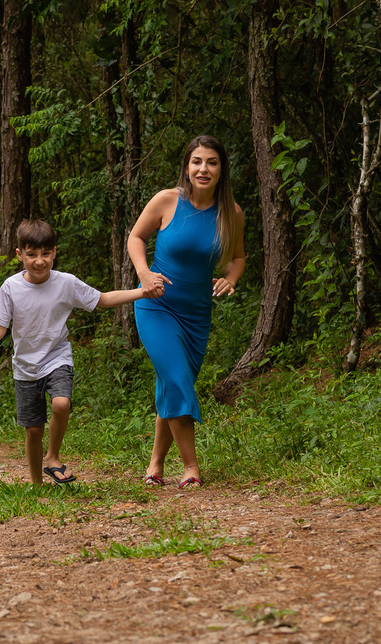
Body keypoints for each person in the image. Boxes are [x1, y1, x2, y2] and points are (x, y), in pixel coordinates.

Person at [0, 219, 162, 486]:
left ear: (54, 252)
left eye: (46, 253)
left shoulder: (66, 283)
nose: (39, 261)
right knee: (33, 429)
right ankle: (37, 484)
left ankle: (53, 457)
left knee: (61, 403)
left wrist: (142, 292)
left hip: (57, 358)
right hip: (25, 367)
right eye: (32, 255)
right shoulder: (11, 288)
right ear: (19, 255)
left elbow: (102, 299)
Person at [127, 134, 245, 489]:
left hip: (196, 315)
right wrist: (144, 273)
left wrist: (230, 278)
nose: (203, 169)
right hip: (157, 305)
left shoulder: (232, 213)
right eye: (197, 162)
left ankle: (155, 463)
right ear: (187, 166)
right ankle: (191, 467)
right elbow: (136, 237)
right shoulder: (167, 201)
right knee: (178, 379)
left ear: (221, 169)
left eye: (211, 162)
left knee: (172, 383)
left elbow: (238, 257)